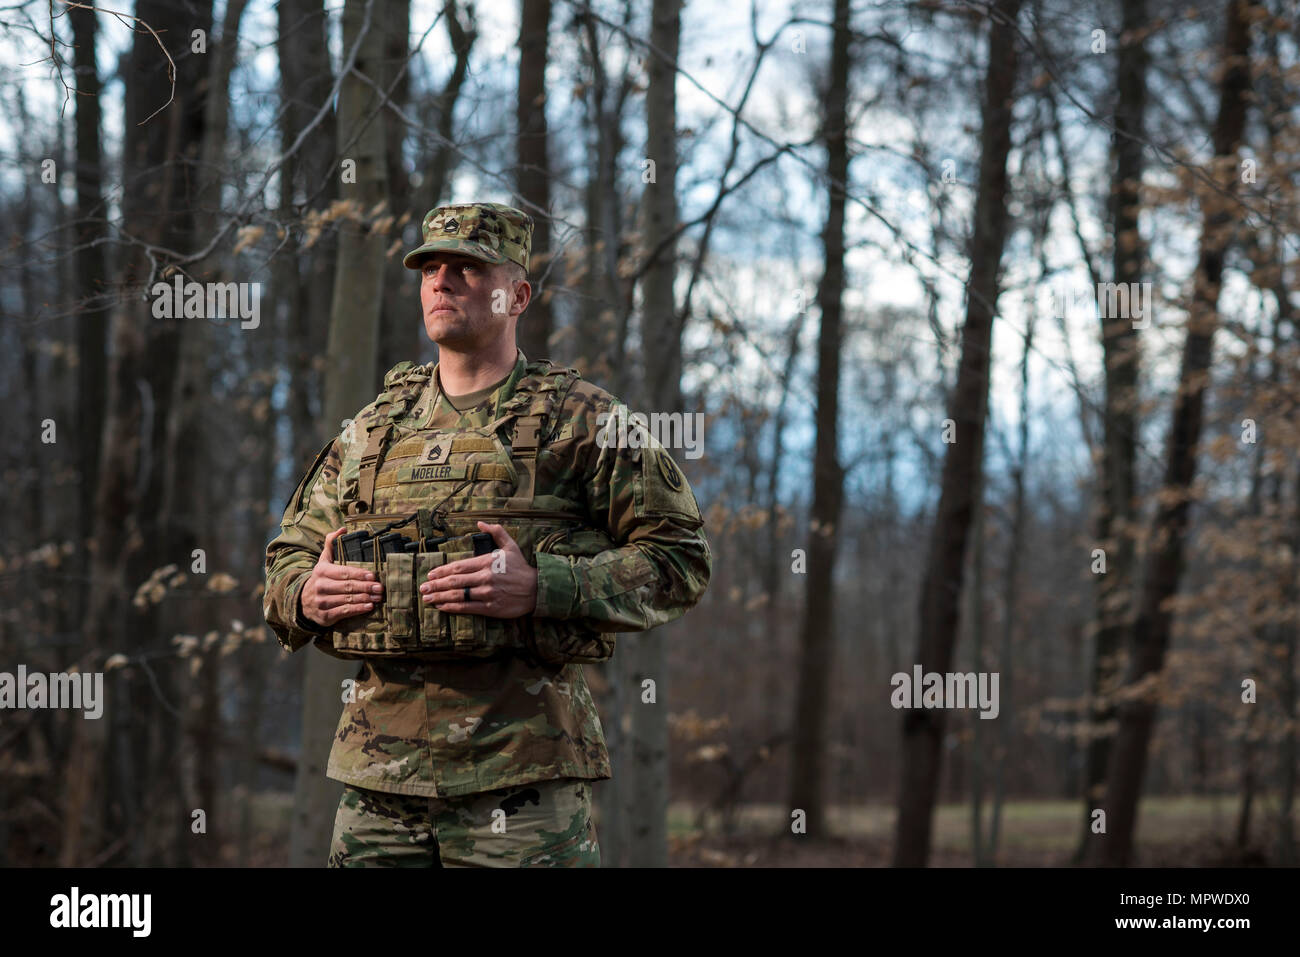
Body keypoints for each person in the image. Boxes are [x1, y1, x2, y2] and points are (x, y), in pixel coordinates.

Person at [263, 201, 711, 867]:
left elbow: (681, 559)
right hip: (379, 783)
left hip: (523, 779)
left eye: (468, 268)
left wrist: (544, 586)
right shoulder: (372, 431)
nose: (443, 282)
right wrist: (305, 594)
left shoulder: (583, 421)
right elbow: (286, 561)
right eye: (430, 269)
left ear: (518, 293)